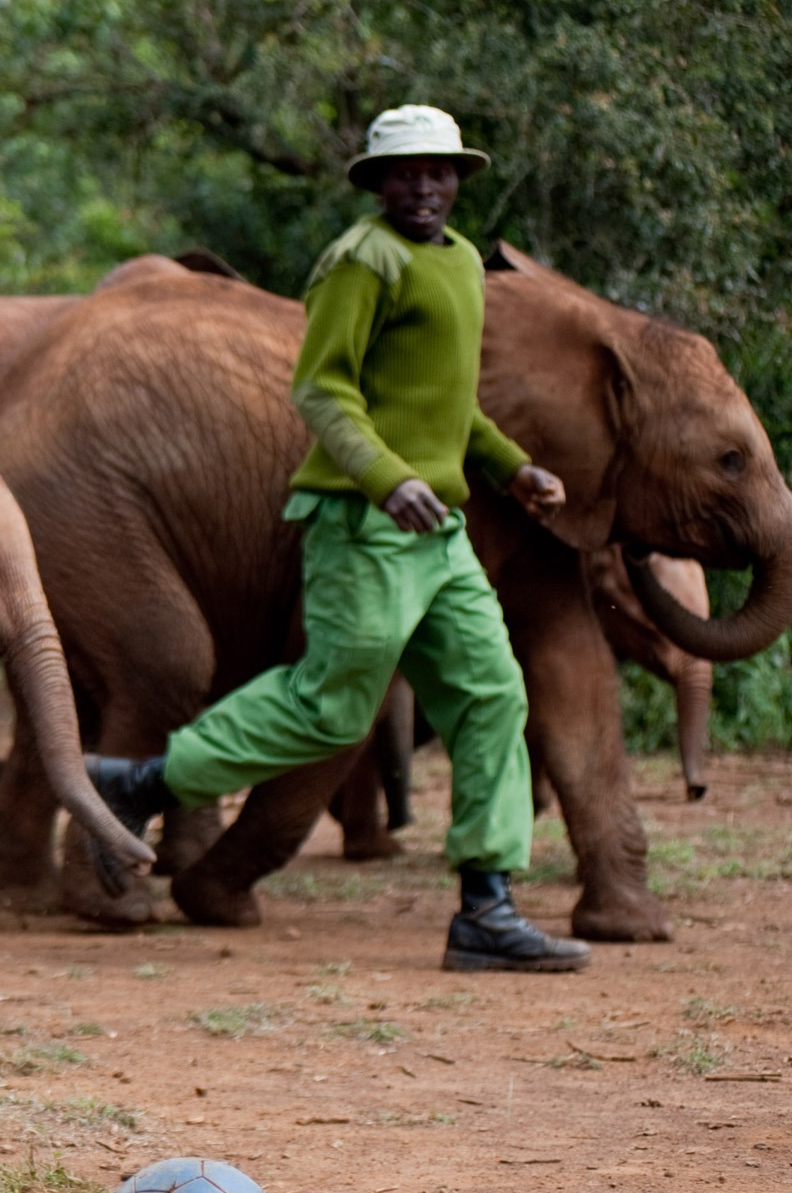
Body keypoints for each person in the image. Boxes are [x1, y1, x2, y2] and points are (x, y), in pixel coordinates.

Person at [85, 104, 589, 973]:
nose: (422, 186)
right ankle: (140, 785)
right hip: (365, 525)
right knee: (331, 706)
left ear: (459, 178)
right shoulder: (361, 262)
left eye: (438, 171)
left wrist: (513, 470)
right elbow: (322, 392)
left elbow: (446, 400)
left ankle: (485, 906)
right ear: (377, 183)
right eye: (404, 173)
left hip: (442, 532)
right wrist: (385, 479)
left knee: (493, 695)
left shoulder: (464, 262)